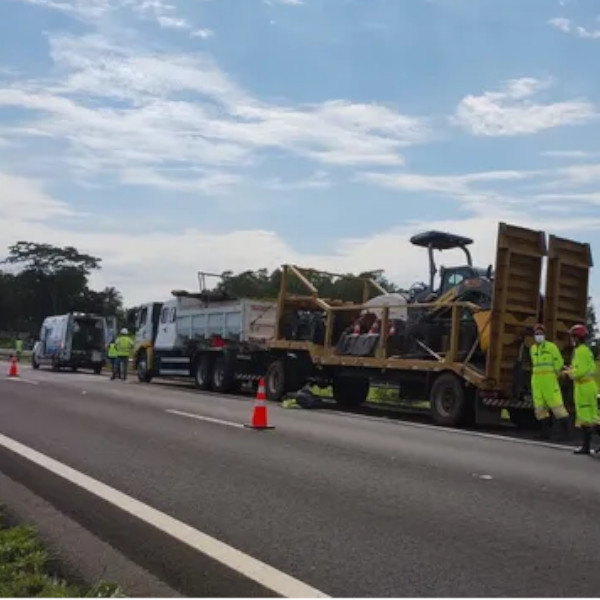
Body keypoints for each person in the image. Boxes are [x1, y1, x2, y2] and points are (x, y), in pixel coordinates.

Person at [563, 324, 600, 455]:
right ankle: (587, 445)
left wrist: (569, 373)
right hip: (587, 386)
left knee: (586, 418)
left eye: (573, 337)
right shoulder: (585, 350)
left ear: (577, 338)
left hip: (584, 387)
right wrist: (571, 370)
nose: (571, 340)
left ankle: (586, 447)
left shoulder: (580, 351)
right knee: (592, 417)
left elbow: (581, 371)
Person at [530, 324, 570, 440]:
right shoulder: (532, 349)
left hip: (550, 382)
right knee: (540, 409)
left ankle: (566, 434)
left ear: (545, 335)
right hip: (537, 383)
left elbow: (559, 362)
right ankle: (544, 433)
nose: (539, 336)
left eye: (541, 333)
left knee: (558, 408)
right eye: (537, 334)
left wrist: (559, 374)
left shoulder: (551, 347)